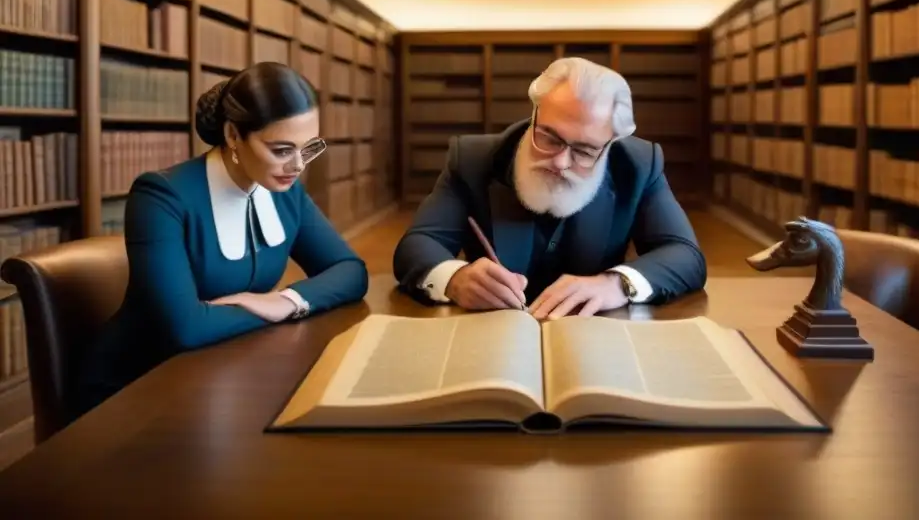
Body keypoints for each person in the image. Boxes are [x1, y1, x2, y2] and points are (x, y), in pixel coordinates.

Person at [73, 62, 369, 417]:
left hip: (222, 368)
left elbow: (352, 272)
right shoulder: (161, 196)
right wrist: (266, 308)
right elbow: (186, 328)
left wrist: (286, 301)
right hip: (137, 387)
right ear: (232, 135)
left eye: (309, 148)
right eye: (281, 150)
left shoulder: (284, 191)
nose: (297, 165)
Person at [392, 57, 706, 319]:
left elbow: (684, 255)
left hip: (595, 336)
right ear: (534, 115)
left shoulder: (639, 165)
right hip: (492, 334)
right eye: (549, 138)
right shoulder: (473, 159)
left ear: (610, 144)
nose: (560, 162)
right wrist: (454, 278)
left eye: (584, 151)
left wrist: (616, 284)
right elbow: (417, 245)